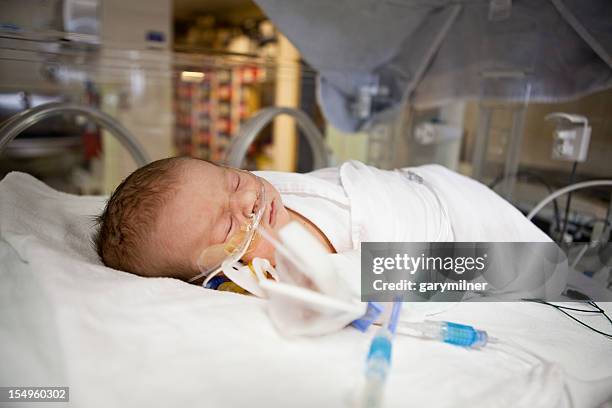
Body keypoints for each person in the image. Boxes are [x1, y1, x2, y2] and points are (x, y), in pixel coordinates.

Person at [94, 157, 550, 285]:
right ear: (210, 273)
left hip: (431, 184)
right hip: (453, 237)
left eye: (233, 184)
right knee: (537, 272)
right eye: (225, 228)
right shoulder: (280, 273)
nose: (248, 205)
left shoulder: (263, 190)